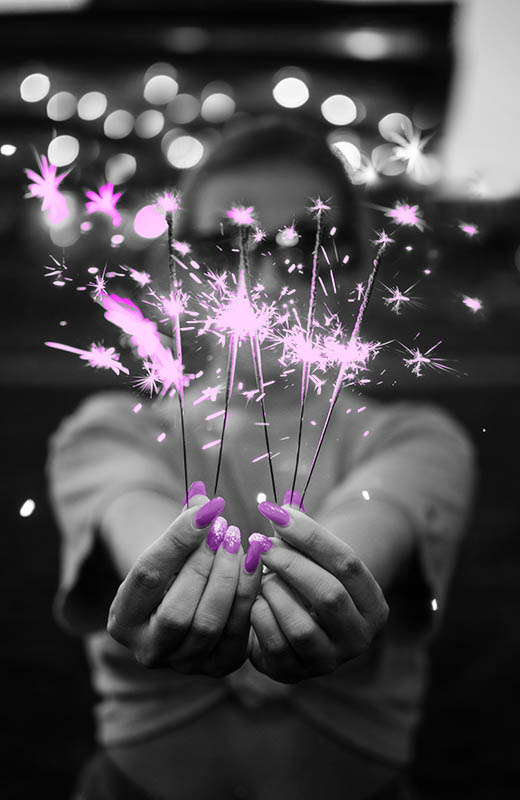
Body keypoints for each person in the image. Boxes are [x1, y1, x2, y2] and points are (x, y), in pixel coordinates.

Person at [47, 116, 475, 800]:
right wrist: (177, 591)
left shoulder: (418, 440)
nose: (267, 273)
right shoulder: (106, 432)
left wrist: (276, 597)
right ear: (175, 265)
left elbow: (343, 565)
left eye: (309, 245)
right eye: (226, 245)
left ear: (357, 265)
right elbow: (147, 544)